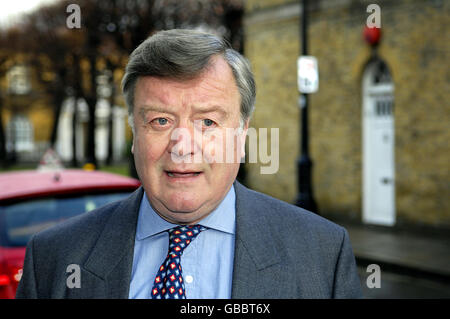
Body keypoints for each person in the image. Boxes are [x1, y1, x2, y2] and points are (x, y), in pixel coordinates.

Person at [16, 29, 362, 299]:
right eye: (161, 121)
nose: (182, 147)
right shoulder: (53, 259)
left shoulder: (321, 255)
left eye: (207, 122)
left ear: (242, 137)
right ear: (134, 134)